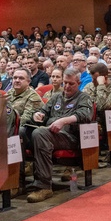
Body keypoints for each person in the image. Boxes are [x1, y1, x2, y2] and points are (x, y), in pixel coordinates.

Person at [25, 69, 93, 203]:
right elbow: (43, 110)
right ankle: (18, 181)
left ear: (78, 83)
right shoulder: (57, 97)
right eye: (65, 83)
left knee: (40, 133)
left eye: (71, 84)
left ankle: (44, 186)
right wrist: (38, 115)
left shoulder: (83, 97)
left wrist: (63, 121)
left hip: (70, 136)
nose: (67, 86)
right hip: (51, 133)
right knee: (22, 132)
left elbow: (85, 115)